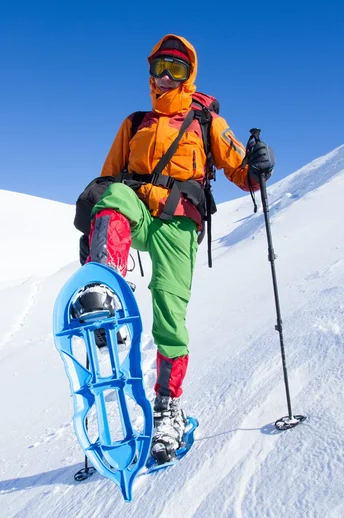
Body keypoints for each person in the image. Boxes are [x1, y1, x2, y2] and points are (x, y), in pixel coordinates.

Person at [76, 34, 275, 464]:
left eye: (177, 69)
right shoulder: (134, 123)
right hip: (139, 213)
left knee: (169, 310)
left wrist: (259, 165)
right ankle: (105, 288)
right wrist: (93, 229)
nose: (165, 77)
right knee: (112, 198)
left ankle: (168, 405)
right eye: (159, 68)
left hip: (179, 224)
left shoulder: (206, 122)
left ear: (190, 75)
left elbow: (243, 171)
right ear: (149, 73)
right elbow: (106, 182)